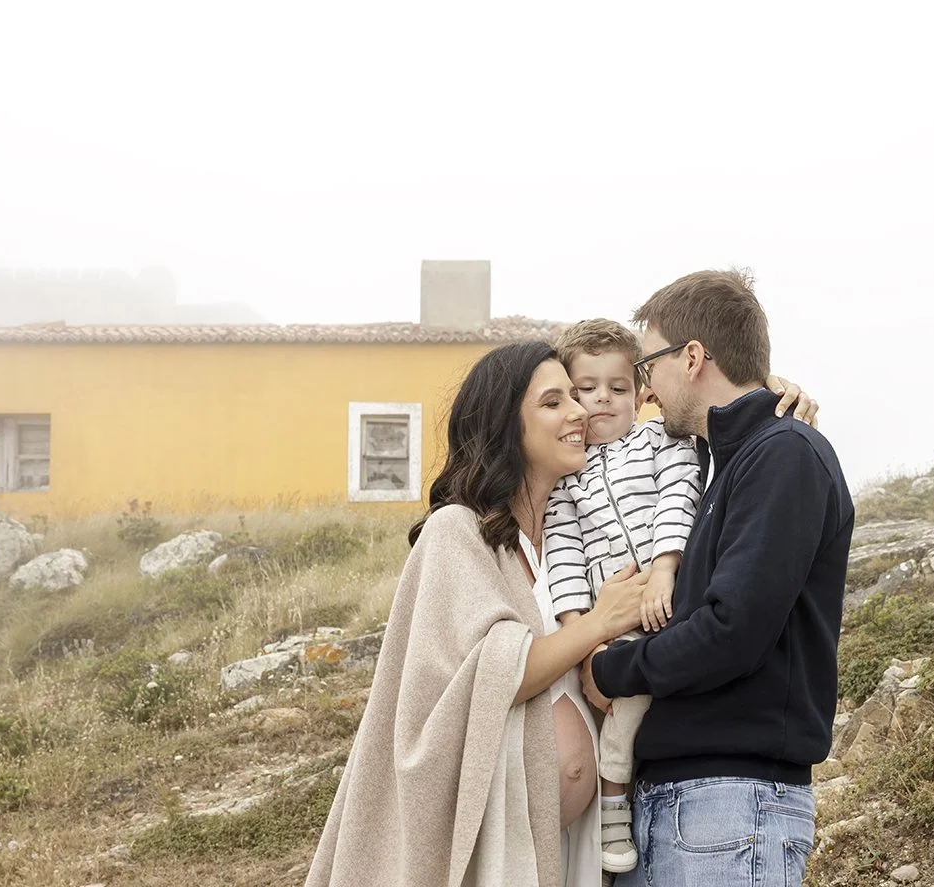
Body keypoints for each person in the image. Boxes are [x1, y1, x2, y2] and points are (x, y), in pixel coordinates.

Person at [306, 341, 648, 887]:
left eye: (575, 397)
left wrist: (766, 396)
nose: (580, 412)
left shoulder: (571, 538)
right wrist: (599, 625)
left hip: (572, 850)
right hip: (495, 849)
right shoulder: (457, 532)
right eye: (553, 402)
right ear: (506, 424)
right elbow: (494, 674)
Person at [582, 270, 855, 887]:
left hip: (729, 806)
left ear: (694, 357)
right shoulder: (726, 464)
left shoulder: (783, 453)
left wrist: (607, 670)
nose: (645, 388)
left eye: (648, 364)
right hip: (689, 807)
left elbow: (733, 629)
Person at [542, 318, 818, 877]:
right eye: (583, 390)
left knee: (629, 704)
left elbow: (683, 491)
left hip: (726, 794)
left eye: (625, 383)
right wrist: (585, 634)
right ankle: (615, 797)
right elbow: (565, 556)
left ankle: (613, 796)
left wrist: (770, 389)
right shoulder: (565, 480)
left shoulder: (674, 442)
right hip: (661, 789)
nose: (601, 400)